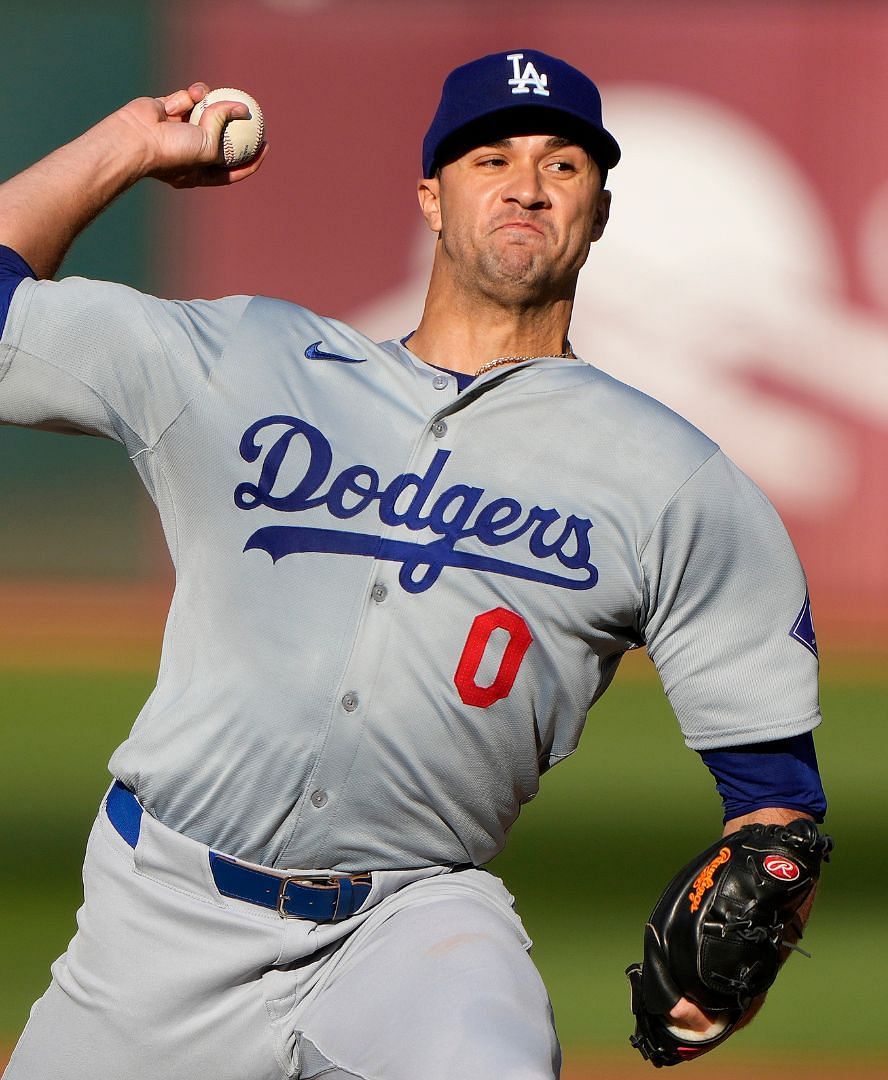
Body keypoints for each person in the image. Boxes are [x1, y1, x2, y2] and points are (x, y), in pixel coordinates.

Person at [0, 50, 826, 1079]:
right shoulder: (245, 360)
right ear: (431, 198)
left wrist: (763, 901)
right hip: (159, 916)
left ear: (600, 211)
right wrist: (123, 146)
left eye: (563, 164)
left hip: (410, 926)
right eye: (491, 157)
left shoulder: (678, 482)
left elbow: (776, 799)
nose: (527, 183)